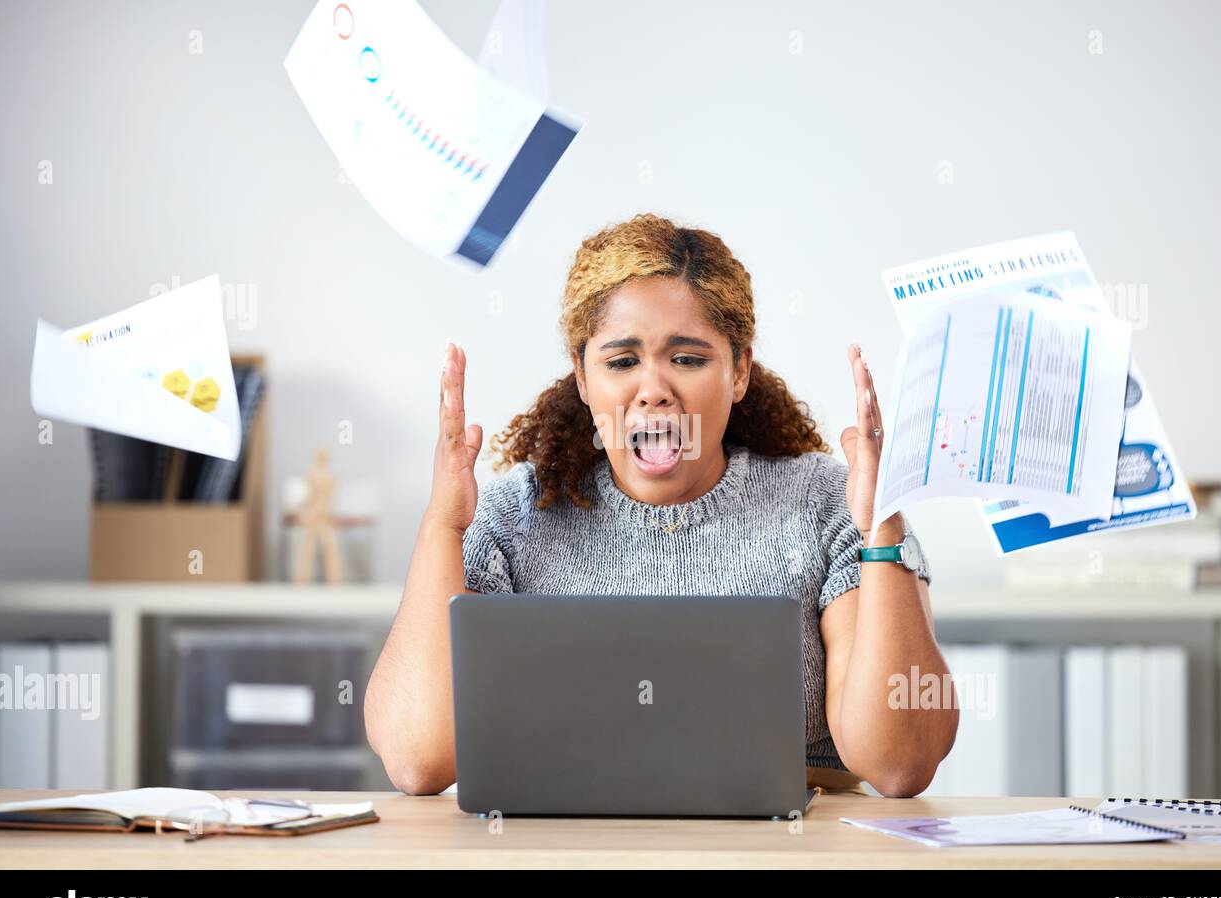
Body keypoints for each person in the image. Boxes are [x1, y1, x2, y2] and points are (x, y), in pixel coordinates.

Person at [365, 213, 956, 797]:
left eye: (688, 358)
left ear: (740, 370)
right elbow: (420, 761)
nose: (653, 388)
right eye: (622, 362)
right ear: (582, 375)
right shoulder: (514, 516)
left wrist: (884, 523)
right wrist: (442, 525)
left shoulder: (830, 504)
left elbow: (900, 763)